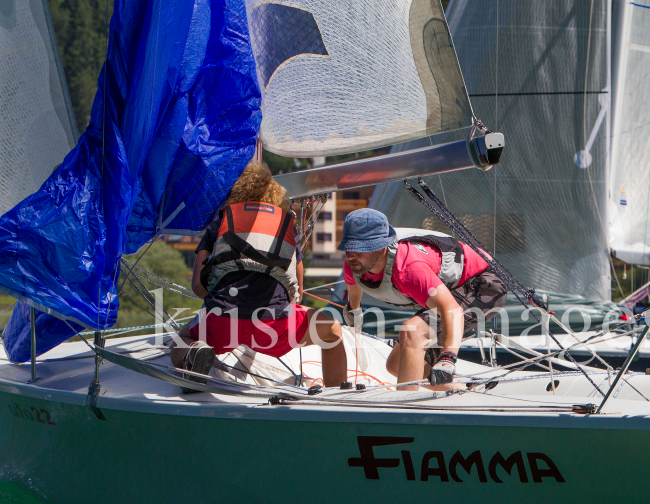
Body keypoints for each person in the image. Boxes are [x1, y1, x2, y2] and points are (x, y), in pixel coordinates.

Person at [170, 162, 347, 391]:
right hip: (274, 328)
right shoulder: (285, 228)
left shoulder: (220, 224)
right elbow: (298, 295)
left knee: (181, 339)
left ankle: (192, 357)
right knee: (332, 331)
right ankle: (336, 396)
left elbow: (198, 287)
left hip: (223, 323)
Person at [339, 208, 506, 390]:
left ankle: (405, 411)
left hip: (483, 284)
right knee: (395, 365)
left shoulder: (408, 269)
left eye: (360, 248)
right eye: (348, 247)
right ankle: (462, 390)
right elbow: (354, 284)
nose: (351, 255)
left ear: (381, 246)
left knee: (412, 332)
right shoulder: (355, 264)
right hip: (451, 290)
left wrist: (447, 358)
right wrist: (353, 310)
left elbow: (452, 311)